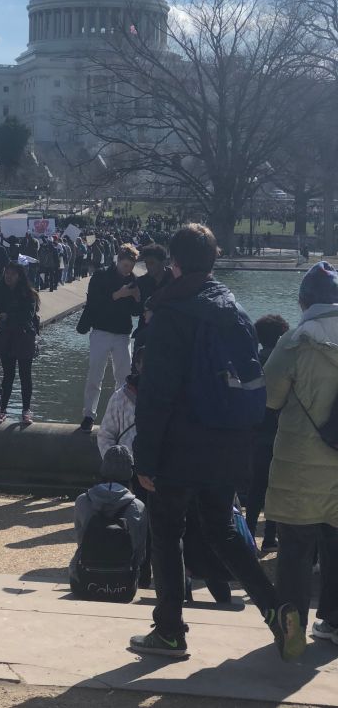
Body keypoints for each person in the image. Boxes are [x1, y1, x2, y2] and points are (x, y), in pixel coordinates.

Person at [131, 223, 305, 661]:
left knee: (167, 530)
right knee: (223, 531)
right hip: (228, 439)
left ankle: (169, 631)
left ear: (173, 264)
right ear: (213, 260)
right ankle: (276, 609)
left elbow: (157, 394)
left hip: (179, 442)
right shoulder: (232, 307)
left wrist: (145, 457)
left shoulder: (172, 312)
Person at [263, 261, 338, 642]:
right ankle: (336, 621)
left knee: (295, 548)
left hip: (302, 462)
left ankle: (291, 627)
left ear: (303, 300)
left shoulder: (295, 339)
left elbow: (271, 397)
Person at [69, 445, 147, 602]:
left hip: (84, 582)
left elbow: (81, 541)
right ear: (129, 473)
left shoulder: (83, 500)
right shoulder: (138, 506)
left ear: (103, 469)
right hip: (124, 586)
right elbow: (140, 552)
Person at [78, 244, 140, 433]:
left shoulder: (134, 281)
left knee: (123, 377)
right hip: (101, 331)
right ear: (118, 261)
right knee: (95, 375)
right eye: (125, 265)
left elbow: (136, 312)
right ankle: (89, 414)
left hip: (122, 333)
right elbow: (94, 303)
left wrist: (137, 298)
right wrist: (117, 295)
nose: (127, 270)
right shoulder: (101, 276)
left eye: (130, 266)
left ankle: (121, 415)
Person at [246, 314, 289, 552]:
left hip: (255, 432)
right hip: (279, 432)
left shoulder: (254, 360)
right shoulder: (283, 360)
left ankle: (249, 533)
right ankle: (270, 537)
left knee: (255, 488)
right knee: (276, 488)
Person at [0, 262, 40, 425]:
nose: (8, 277)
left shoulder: (28, 293)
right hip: (6, 336)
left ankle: (26, 410)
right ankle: (2, 409)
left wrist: (8, 315)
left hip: (23, 336)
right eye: (7, 273)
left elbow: (28, 316)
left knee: (25, 375)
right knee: (8, 375)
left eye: (12, 274)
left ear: (19, 276)